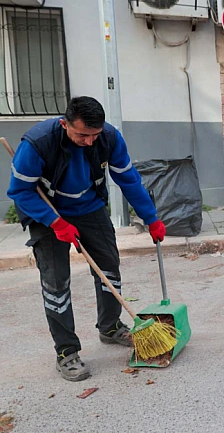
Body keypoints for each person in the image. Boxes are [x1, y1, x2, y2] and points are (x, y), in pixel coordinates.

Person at [6, 96, 167, 382]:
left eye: (94, 135)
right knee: (56, 283)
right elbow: (20, 191)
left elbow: (128, 179)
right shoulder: (37, 144)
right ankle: (66, 351)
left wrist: (150, 217)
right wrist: (55, 222)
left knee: (109, 267)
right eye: (82, 135)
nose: (90, 141)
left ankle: (110, 326)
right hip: (48, 213)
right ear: (64, 124)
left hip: (90, 208)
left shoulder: (109, 138)